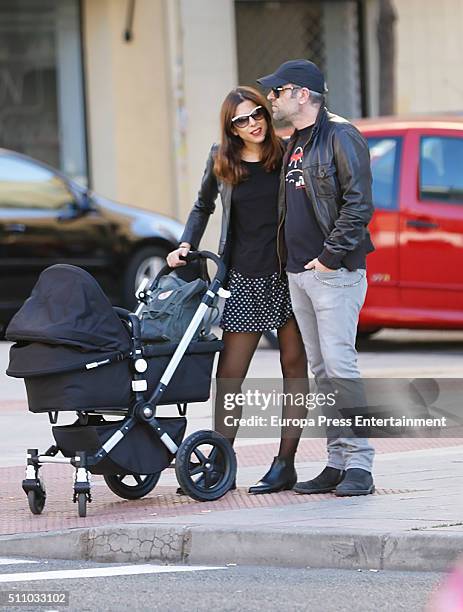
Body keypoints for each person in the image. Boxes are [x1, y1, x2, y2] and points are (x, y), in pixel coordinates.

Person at [167, 86, 308, 495]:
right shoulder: (221, 159)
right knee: (229, 377)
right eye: (241, 120)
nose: (252, 124)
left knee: (294, 370)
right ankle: (221, 463)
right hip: (243, 277)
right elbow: (202, 206)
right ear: (231, 128)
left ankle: (285, 464)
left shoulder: (286, 154)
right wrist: (185, 244)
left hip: (285, 274)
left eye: (257, 114)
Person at [257, 60, 376, 496]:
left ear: (302, 94)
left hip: (334, 273)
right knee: (323, 371)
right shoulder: (295, 142)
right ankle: (336, 462)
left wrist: (328, 257)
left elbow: (359, 204)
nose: (271, 98)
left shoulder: (340, 136)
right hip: (299, 274)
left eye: (277, 91)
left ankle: (360, 465)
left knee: (341, 367)